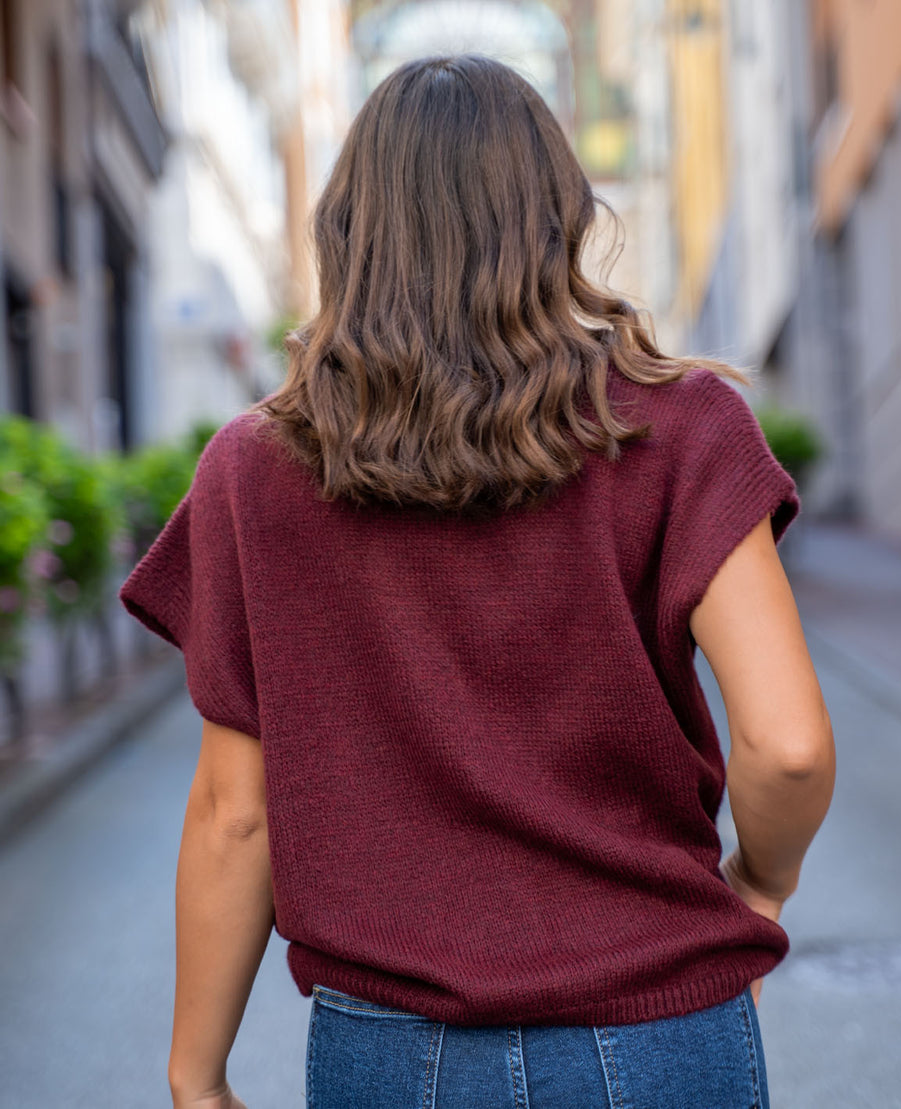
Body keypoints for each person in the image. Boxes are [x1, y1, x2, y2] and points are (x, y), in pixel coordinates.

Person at [118, 53, 836, 1109]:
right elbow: (788, 743)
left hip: (391, 1055)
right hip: (663, 1027)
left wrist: (197, 1073)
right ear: (558, 213)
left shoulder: (255, 468)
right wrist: (761, 882)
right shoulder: (685, 430)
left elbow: (236, 810)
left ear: (350, 230)